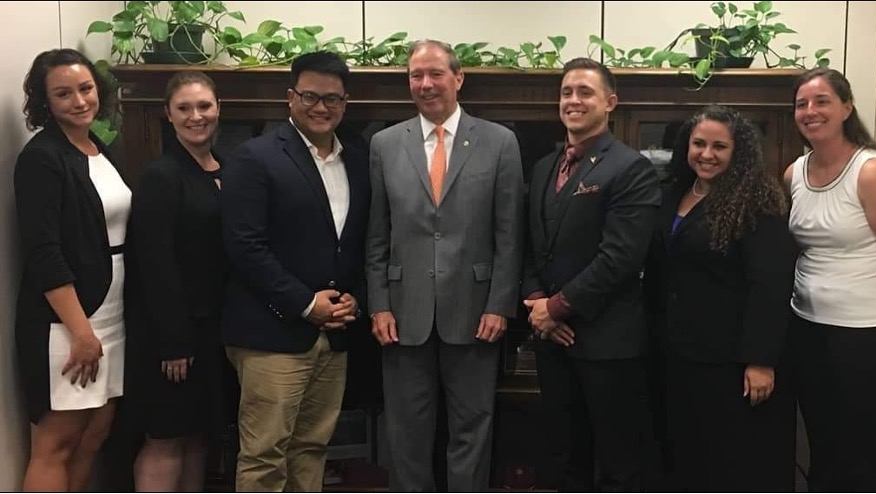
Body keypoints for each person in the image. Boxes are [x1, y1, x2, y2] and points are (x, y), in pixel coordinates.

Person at [366, 39, 524, 492]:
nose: (426, 84)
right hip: (402, 314)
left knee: (472, 430)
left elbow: (509, 235)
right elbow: (377, 235)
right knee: (405, 434)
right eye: (416, 75)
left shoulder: (499, 142)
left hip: (476, 314)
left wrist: (500, 305)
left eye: (435, 73)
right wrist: (379, 304)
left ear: (458, 78)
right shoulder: (384, 144)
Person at [220, 51, 370, 492]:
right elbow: (244, 247)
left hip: (335, 333)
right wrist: (307, 305)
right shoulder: (254, 157)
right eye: (310, 96)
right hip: (272, 334)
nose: (321, 107)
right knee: (265, 454)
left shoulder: (357, 160)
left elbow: (358, 242)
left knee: (312, 447)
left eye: (333, 99)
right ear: (290, 97)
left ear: (346, 103)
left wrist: (353, 297)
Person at [521, 57, 661, 492]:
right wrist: (537, 303)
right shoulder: (545, 167)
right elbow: (531, 246)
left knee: (618, 463)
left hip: (608, 345)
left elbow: (620, 258)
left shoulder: (631, 168)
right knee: (564, 458)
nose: (573, 100)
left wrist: (558, 309)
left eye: (585, 92)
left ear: (610, 103)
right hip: (553, 343)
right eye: (566, 92)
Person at [785, 67, 876, 492]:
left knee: (858, 450)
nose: (810, 111)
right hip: (806, 326)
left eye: (822, 101)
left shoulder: (871, 170)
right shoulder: (795, 173)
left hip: (866, 333)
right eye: (802, 104)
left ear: (846, 108)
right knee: (822, 444)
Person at [644, 105, 797, 491]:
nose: (706, 154)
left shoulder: (757, 202)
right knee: (684, 455)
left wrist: (760, 361)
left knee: (727, 461)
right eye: (698, 144)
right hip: (675, 353)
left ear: (738, 152)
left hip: (728, 361)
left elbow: (770, 285)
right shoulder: (674, 192)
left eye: (719, 146)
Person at [13, 48, 130, 491]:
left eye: (85, 89)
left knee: (92, 438)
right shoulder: (42, 157)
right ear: (45, 102)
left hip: (110, 312)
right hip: (67, 323)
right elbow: (44, 253)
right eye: (63, 94)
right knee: (56, 445)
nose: (79, 101)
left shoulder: (99, 147)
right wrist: (80, 332)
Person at [126, 70, 230, 492]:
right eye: (184, 108)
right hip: (173, 338)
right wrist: (174, 342)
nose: (196, 116)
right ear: (168, 115)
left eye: (203, 106)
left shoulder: (224, 168)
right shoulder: (161, 176)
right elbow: (155, 263)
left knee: (197, 434)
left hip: (213, 330)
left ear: (218, 108)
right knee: (165, 438)